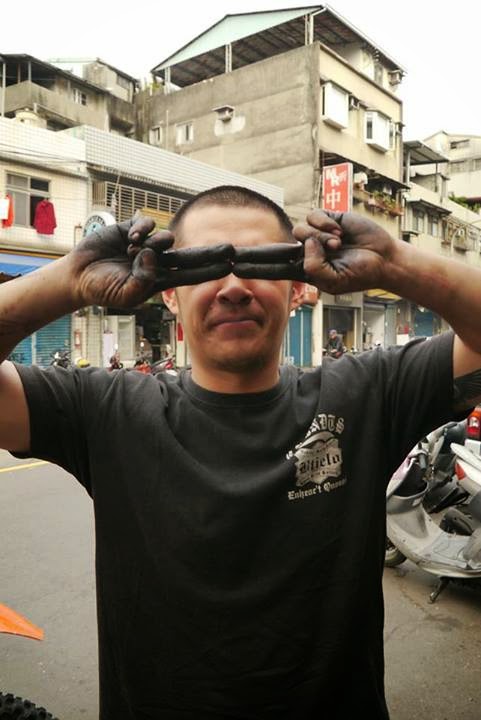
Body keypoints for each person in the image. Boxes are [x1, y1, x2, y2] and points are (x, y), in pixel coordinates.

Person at [1, 185, 481, 720]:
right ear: (169, 293)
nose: (232, 288)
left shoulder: (368, 393)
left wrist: (395, 263)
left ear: (296, 289)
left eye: (258, 264)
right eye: (205, 267)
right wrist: (69, 281)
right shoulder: (104, 407)